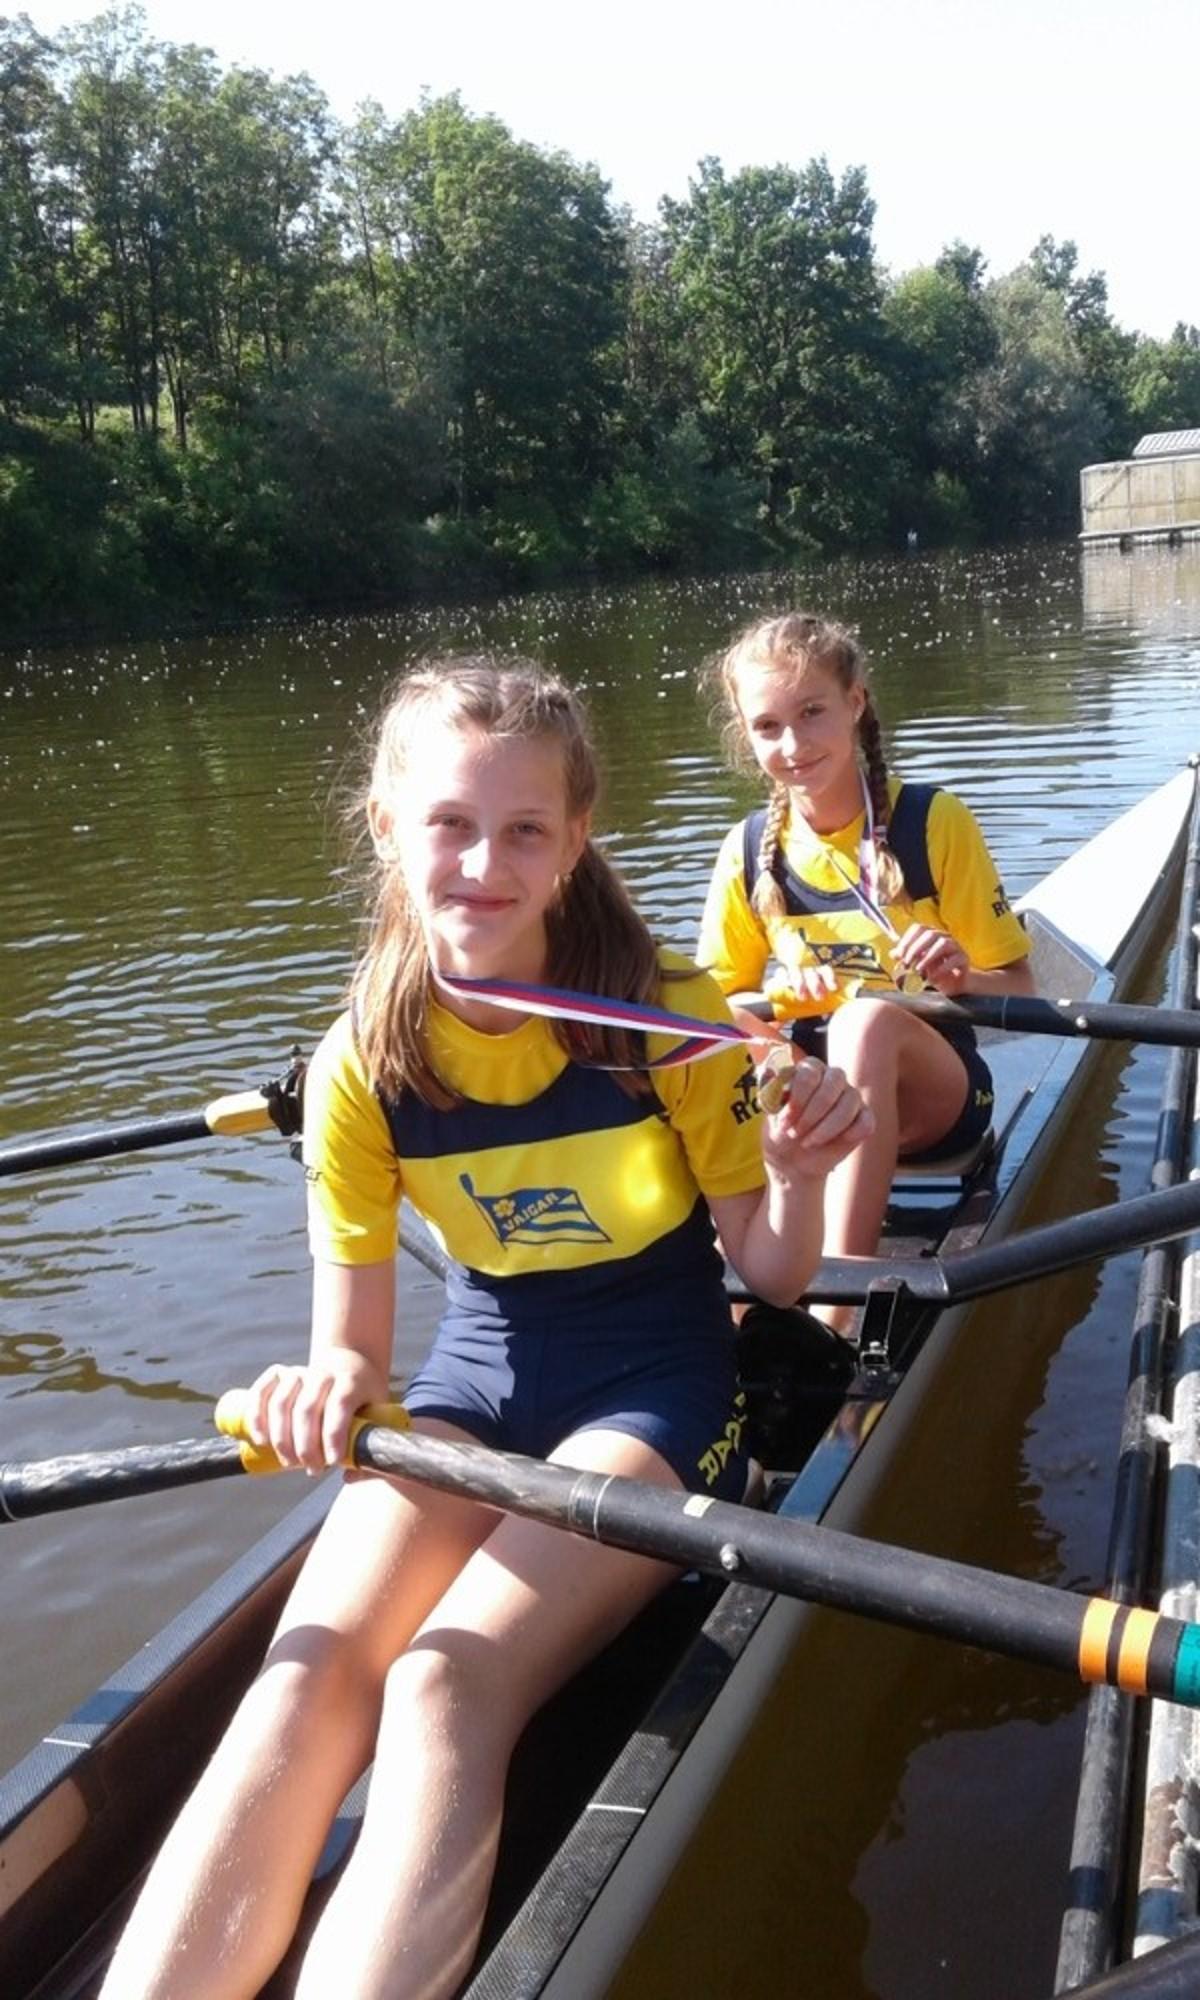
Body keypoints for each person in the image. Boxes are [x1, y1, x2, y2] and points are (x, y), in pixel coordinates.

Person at [102, 655, 870, 2000]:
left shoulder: (671, 1020)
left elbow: (771, 1268)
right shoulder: (360, 1062)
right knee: (301, 1676)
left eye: (524, 830)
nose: (482, 864)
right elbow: (354, 1352)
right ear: (387, 828)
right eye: (450, 824)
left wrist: (798, 1173)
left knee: (443, 1684)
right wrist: (322, 1391)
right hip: (475, 1381)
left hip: (661, 1393)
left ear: (574, 844)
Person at [698, 612, 1034, 1336]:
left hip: (935, 1104)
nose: (794, 746)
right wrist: (778, 998)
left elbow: (1022, 992)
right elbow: (712, 1007)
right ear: (747, 736)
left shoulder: (933, 823)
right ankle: (720, 1316)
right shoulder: (748, 850)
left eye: (812, 713)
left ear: (855, 702)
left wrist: (959, 978)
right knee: (708, 1030)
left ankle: (835, 1315)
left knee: (865, 1019)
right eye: (768, 727)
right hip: (814, 1101)